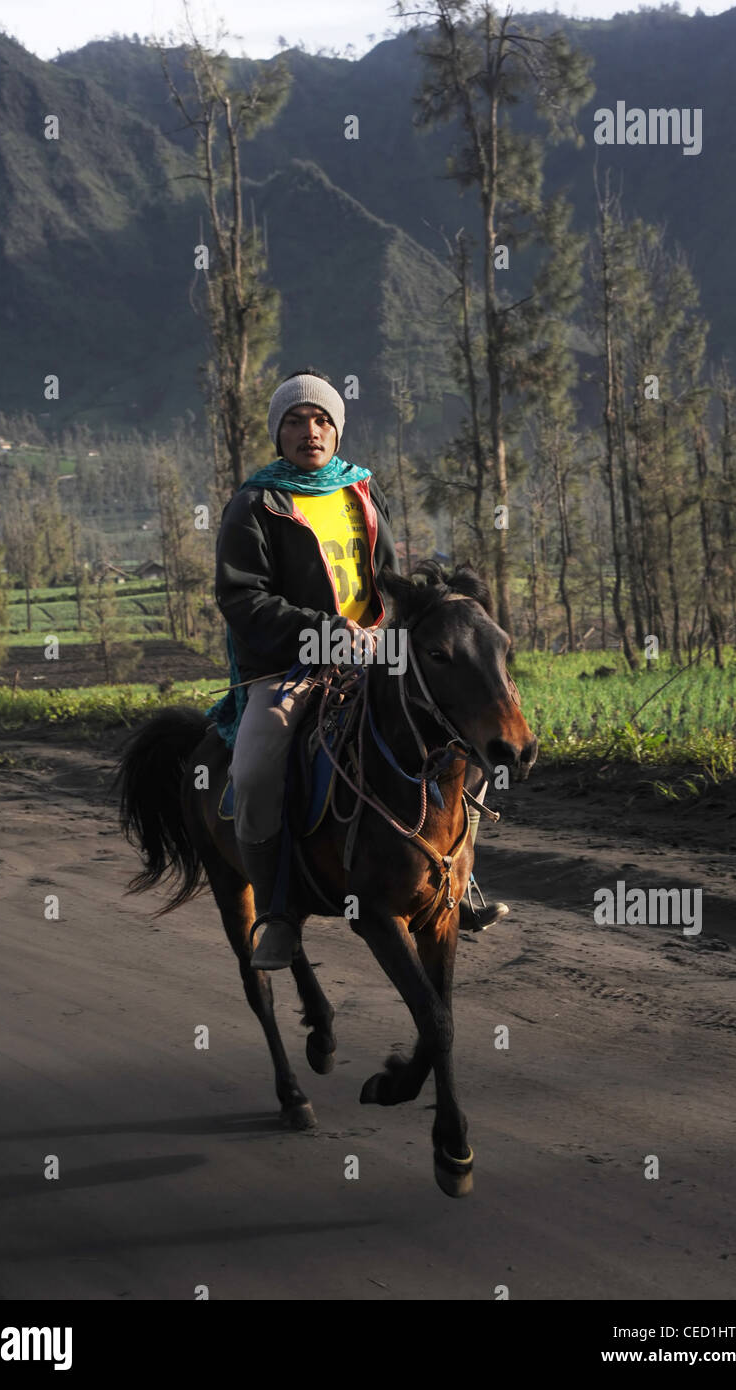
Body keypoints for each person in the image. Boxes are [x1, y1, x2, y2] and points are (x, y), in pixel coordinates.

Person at [214, 368, 500, 971]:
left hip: (374, 654)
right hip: (290, 666)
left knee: (456, 740)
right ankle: (278, 913)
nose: (309, 431)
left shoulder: (362, 493)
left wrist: (408, 624)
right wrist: (320, 631)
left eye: (321, 421)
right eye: (295, 421)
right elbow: (242, 600)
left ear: (337, 432)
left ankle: (456, 883)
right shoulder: (255, 504)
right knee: (257, 768)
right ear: (278, 434)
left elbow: (388, 580)